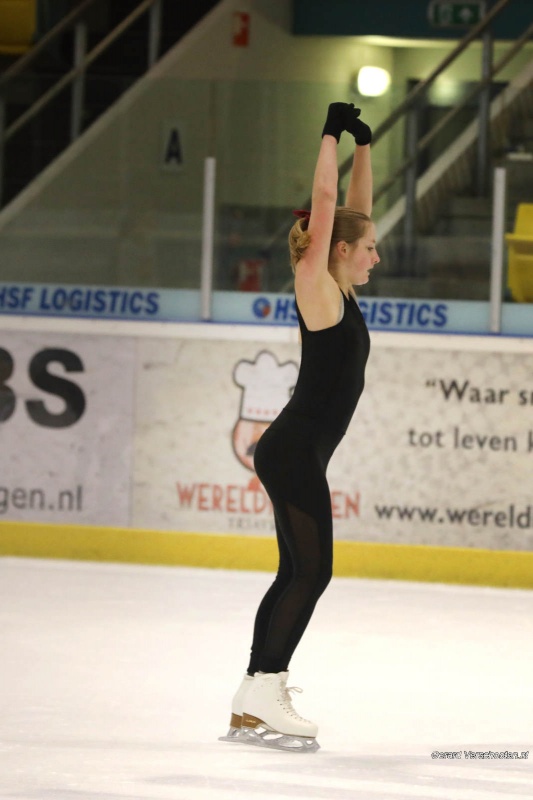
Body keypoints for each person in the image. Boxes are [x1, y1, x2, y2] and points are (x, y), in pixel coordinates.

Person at [220, 103, 379, 752]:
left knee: (298, 571)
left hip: (298, 454)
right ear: (336, 250)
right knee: (310, 573)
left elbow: (353, 210)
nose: (377, 252)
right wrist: (327, 133)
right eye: (367, 247)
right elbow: (324, 200)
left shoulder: (342, 287)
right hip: (288, 453)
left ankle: (254, 696)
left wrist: (363, 147)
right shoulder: (315, 285)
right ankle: (262, 685)